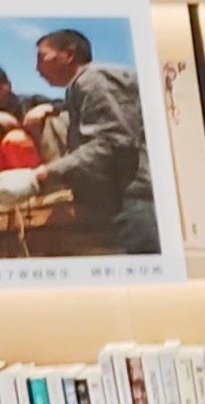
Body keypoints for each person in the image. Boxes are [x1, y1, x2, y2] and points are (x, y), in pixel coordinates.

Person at [0, 28, 158, 253]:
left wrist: (42, 174)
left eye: (42, 57)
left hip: (130, 200)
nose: (37, 68)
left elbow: (111, 143)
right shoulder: (80, 88)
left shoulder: (92, 79)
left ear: (68, 55)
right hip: (111, 201)